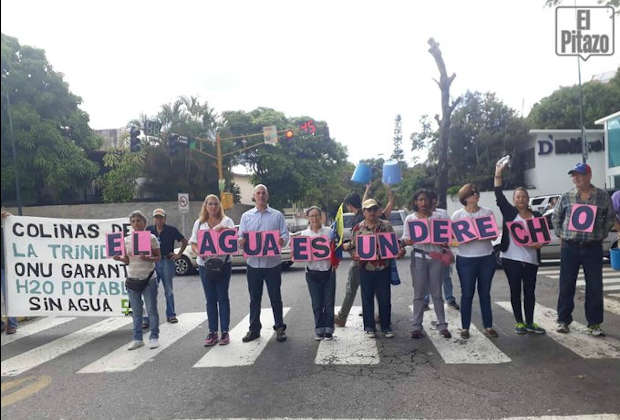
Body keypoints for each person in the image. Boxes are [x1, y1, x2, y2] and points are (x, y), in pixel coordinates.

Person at [552, 163, 614, 336]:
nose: (576, 178)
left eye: (579, 175)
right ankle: (563, 320)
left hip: (592, 247)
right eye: (573, 175)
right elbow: (556, 217)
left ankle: (594, 324)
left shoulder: (602, 196)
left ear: (589, 175)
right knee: (566, 285)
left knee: (594, 286)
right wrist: (561, 234)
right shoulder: (566, 196)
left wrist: (600, 234)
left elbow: (610, 218)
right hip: (570, 247)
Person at [494, 160, 545, 335]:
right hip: (511, 259)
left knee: (529, 292)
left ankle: (530, 322)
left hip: (531, 260)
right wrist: (498, 173)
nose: (521, 199)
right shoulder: (509, 212)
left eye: (523, 197)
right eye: (517, 197)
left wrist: (540, 244)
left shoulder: (537, 216)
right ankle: (519, 323)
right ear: (514, 200)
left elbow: (543, 238)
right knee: (515, 291)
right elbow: (499, 195)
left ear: (528, 199)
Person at [238, 184, 290, 343]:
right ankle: (254, 330)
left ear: (267, 196)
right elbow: (240, 236)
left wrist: (282, 241)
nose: (261, 195)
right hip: (253, 265)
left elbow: (285, 235)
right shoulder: (246, 216)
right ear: (254, 196)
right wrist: (241, 241)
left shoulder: (277, 215)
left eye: (263, 193)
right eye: (258, 193)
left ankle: (280, 328)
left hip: (272, 265)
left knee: (275, 297)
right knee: (254, 299)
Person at [402, 189, 452, 339]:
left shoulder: (439, 217)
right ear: (415, 202)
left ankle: (442, 325)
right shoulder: (410, 219)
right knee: (419, 293)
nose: (423, 203)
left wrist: (445, 241)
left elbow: (449, 236)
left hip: (436, 258)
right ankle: (416, 326)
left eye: (425, 199)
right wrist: (408, 241)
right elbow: (406, 238)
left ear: (431, 201)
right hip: (418, 257)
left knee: (437, 292)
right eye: (420, 200)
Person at [452, 184, 498, 339]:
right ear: (465, 198)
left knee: (485, 293)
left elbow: (493, 236)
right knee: (467, 293)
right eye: (472, 194)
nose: (476, 195)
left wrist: (484, 235)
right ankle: (465, 327)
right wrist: (461, 240)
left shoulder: (487, 212)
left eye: (476, 193)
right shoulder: (457, 216)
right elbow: (451, 239)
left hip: (486, 257)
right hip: (465, 259)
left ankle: (488, 325)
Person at [189, 195, 234, 346]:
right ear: (205, 206)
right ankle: (212, 331)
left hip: (223, 265)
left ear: (219, 205)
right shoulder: (199, 223)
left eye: (215, 204)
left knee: (223, 297)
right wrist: (198, 252)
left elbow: (234, 238)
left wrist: (224, 229)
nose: (213, 207)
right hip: (204, 265)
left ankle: (225, 332)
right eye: (210, 204)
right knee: (210, 299)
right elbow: (193, 243)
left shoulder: (227, 221)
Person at [114, 210, 161, 350]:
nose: (136, 223)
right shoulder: (126, 240)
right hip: (132, 279)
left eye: (138, 220)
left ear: (145, 223)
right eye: (133, 221)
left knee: (151, 309)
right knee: (136, 311)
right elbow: (127, 261)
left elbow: (158, 257)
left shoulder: (151, 238)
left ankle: (154, 336)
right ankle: (137, 338)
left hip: (148, 279)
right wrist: (119, 259)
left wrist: (149, 258)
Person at [350, 199, 395, 338]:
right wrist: (354, 255)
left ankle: (386, 327)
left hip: (383, 267)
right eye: (369, 210)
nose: (372, 212)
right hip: (365, 268)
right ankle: (369, 327)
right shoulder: (358, 228)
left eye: (374, 209)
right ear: (363, 212)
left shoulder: (386, 226)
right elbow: (352, 246)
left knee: (385, 298)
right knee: (367, 298)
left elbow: (394, 245)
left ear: (379, 211)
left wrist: (399, 251)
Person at [146, 208, 187, 325]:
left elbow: (184, 241)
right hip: (153, 262)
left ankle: (171, 314)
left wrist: (178, 254)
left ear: (164, 218)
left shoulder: (171, 230)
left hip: (167, 261)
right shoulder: (149, 230)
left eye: (160, 217)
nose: (158, 219)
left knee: (168, 290)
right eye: (156, 217)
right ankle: (149, 317)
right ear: (154, 219)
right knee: (151, 291)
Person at [301, 206, 336, 341]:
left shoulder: (329, 232)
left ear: (321, 217)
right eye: (312, 216)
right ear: (308, 218)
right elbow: (298, 252)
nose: (314, 218)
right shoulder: (304, 235)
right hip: (312, 273)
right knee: (316, 303)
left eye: (317, 215)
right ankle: (319, 329)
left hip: (328, 271)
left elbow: (336, 249)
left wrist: (335, 262)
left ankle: (329, 330)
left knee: (328, 302)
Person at [423, 191, 459, 312]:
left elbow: (450, 230)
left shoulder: (442, 213)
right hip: (427, 251)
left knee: (445, 277)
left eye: (435, 202)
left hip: (442, 250)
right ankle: (425, 300)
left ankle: (449, 298)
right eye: (431, 202)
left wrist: (448, 245)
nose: (433, 204)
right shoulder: (421, 215)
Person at [334, 192, 364, 327]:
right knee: (371, 288)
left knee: (351, 288)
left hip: (359, 259)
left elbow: (358, 239)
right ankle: (379, 313)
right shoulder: (365, 214)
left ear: (350, 205)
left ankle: (342, 317)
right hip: (370, 259)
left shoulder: (358, 219)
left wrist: (348, 246)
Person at [1, 209, 17, 335]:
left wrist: (11, 218)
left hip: (5, 266)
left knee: (9, 295)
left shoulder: (7, 221)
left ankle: (11, 324)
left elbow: (20, 229)